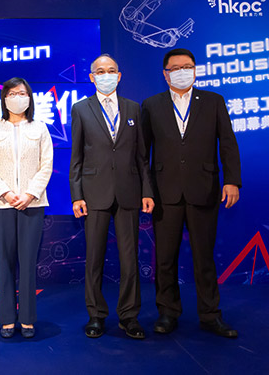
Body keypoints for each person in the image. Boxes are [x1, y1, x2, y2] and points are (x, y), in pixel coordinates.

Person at [141, 48, 242, 338]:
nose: (182, 71)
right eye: (175, 67)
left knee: (204, 258)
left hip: (204, 189)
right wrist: (146, 191)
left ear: (195, 70)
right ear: (165, 73)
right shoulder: (152, 105)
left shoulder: (213, 101)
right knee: (165, 259)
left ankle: (210, 315)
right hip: (165, 193)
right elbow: (142, 153)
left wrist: (232, 180)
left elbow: (227, 142)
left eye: (187, 66)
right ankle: (167, 312)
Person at [69, 54, 154, 339]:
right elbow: (77, 157)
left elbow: (142, 157)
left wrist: (147, 191)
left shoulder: (133, 108)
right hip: (94, 194)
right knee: (94, 258)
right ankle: (96, 315)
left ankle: (129, 316)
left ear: (119, 75)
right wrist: (76, 195)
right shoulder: (81, 109)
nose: (106, 75)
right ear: (91, 77)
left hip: (129, 192)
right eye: (100, 71)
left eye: (111, 70)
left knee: (129, 260)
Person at [0, 77, 53, 339]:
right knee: (6, 262)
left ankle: (28, 318)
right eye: (11, 93)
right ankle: (7, 318)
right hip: (1, 204)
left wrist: (30, 193)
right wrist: (7, 193)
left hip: (33, 203)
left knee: (28, 261)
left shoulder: (40, 128)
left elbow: (47, 165)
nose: (17, 97)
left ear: (30, 98)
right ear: (4, 98)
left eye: (22, 93)